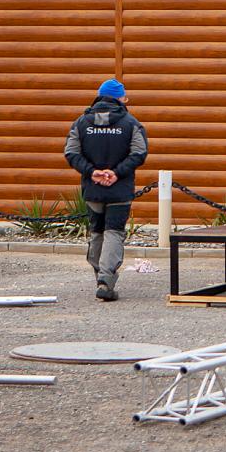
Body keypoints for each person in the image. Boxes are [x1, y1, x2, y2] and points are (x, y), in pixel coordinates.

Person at [64, 78, 148, 301]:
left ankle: (99, 275)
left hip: (93, 188)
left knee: (97, 231)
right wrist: (116, 173)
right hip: (119, 188)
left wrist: (92, 172)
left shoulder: (81, 123)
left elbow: (71, 153)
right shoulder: (131, 123)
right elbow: (139, 153)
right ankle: (106, 279)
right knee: (114, 231)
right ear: (120, 98)